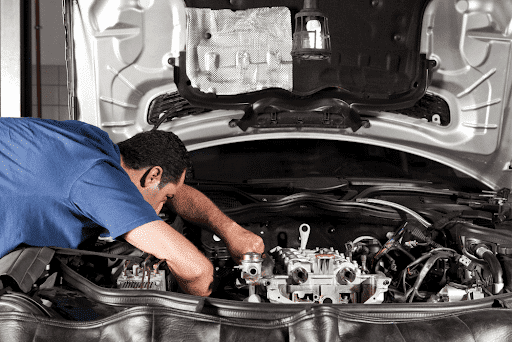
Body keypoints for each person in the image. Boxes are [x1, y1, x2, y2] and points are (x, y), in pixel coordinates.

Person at [0, 117, 264, 296]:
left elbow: (176, 190)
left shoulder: (95, 141)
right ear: (153, 176)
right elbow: (197, 270)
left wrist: (230, 230)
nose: (163, 208)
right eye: (166, 198)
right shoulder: (96, 178)